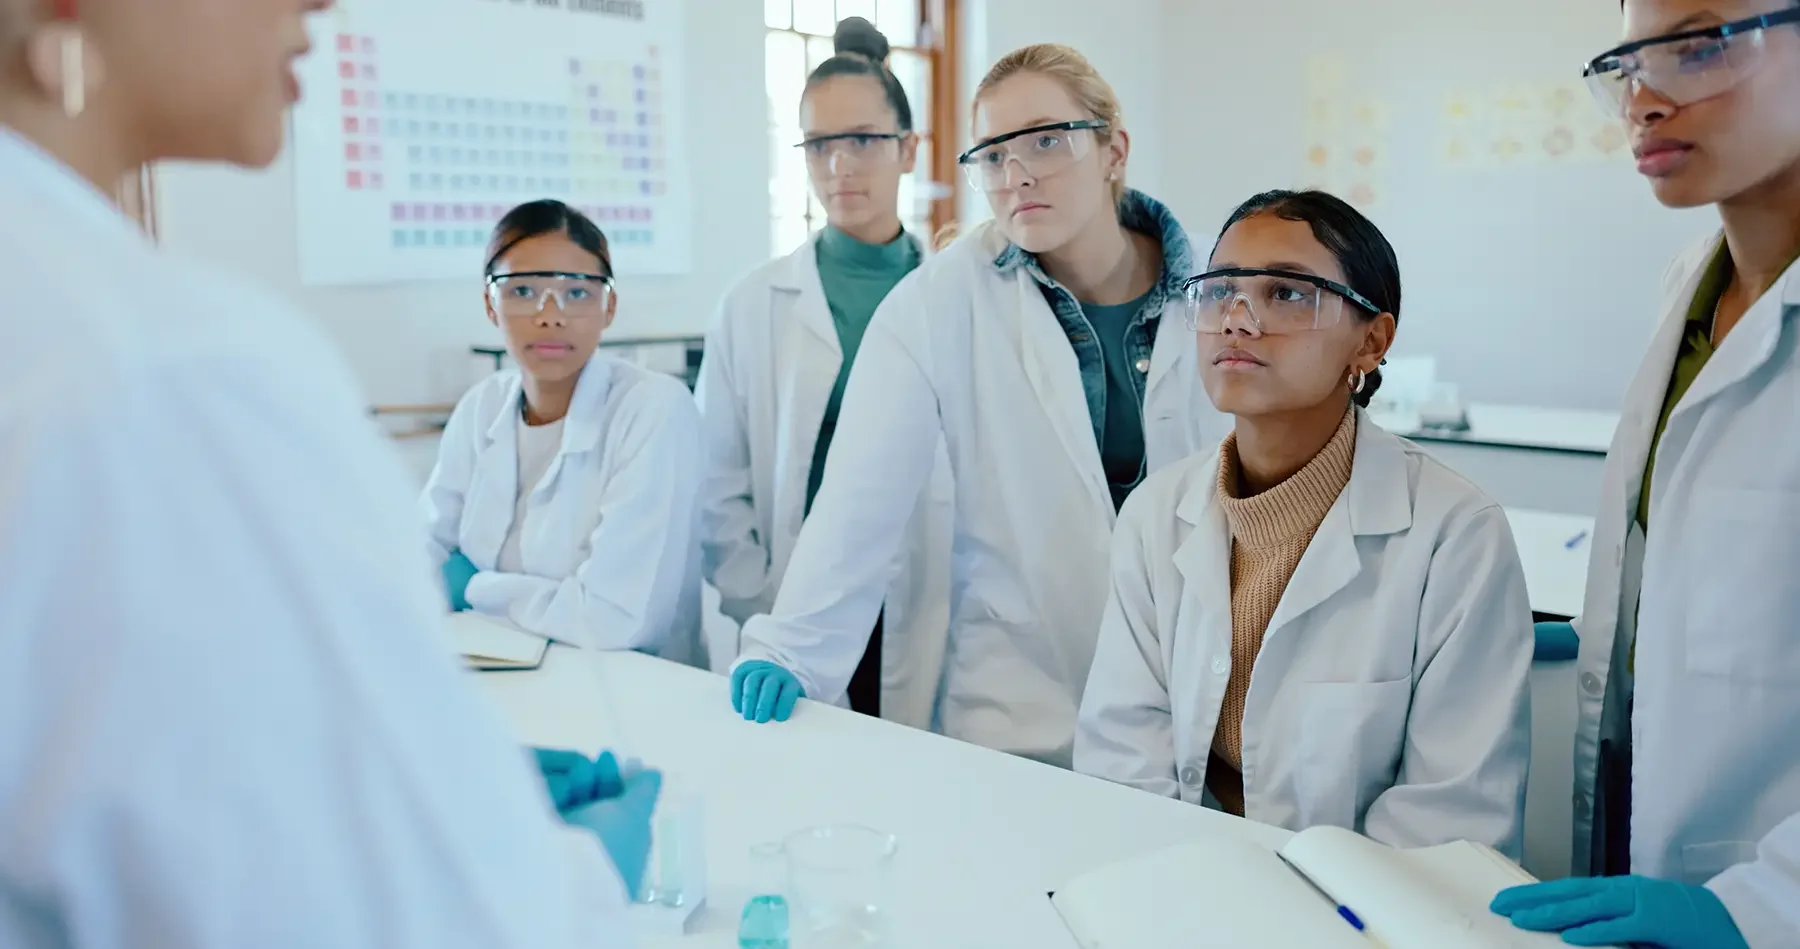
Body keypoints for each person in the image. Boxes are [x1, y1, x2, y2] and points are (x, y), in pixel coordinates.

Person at [0, 2, 657, 945]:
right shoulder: (172, 369)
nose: (320, 4)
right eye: (521, 290)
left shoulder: (74, 323)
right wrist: (568, 868)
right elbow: (416, 915)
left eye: (572, 291)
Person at [727, 42, 1229, 768]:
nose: (1016, 173)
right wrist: (791, 644)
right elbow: (859, 499)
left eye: (1047, 141)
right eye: (992, 154)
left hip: (1203, 694)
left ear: (1114, 149)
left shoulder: (1221, 291)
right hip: (1019, 705)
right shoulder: (937, 304)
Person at [1072, 190, 1533, 858]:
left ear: (1371, 342)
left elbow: (1448, 823)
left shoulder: (1455, 536)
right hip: (1175, 891)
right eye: (1220, 290)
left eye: (1288, 293)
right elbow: (1122, 762)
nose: (1238, 319)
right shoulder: (1155, 515)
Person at [1490, 1, 1800, 946]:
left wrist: (1762, 907)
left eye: (1699, 45)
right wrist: (1604, 633)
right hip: (1644, 820)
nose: (1644, 97)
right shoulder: (1692, 288)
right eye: (1628, 61)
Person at [698, 17, 951, 724]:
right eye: (821, 145)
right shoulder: (754, 305)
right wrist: (767, 603)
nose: (841, 165)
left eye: (864, 141)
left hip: (932, 609)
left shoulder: (957, 298)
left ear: (906, 149)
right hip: (792, 605)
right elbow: (717, 484)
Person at [421, 198, 704, 663]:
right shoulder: (481, 407)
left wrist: (473, 586)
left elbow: (617, 619)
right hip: (491, 673)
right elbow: (424, 551)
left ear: (608, 306)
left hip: (628, 693)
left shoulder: (652, 409)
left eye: (576, 292)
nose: (550, 314)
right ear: (491, 306)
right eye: (523, 291)